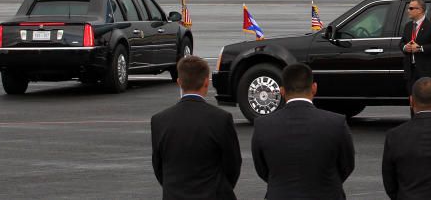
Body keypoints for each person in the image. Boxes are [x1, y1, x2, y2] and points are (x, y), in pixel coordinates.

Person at [251, 63, 355, 200]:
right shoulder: (336, 123)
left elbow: (263, 170)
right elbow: (347, 165)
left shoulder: (263, 125)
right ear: (314, 88)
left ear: (281, 91)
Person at [151, 55, 241, 200]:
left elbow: (159, 166)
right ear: (206, 82)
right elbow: (233, 164)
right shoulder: (221, 119)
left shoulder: (159, 121)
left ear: (179, 82)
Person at [401, 0, 431, 93]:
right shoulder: (408, 26)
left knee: (427, 99)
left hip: (427, 72)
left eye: (411, 8)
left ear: (420, 10)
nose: (408, 10)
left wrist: (420, 48)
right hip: (411, 72)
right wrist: (405, 47)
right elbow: (402, 42)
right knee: (413, 101)